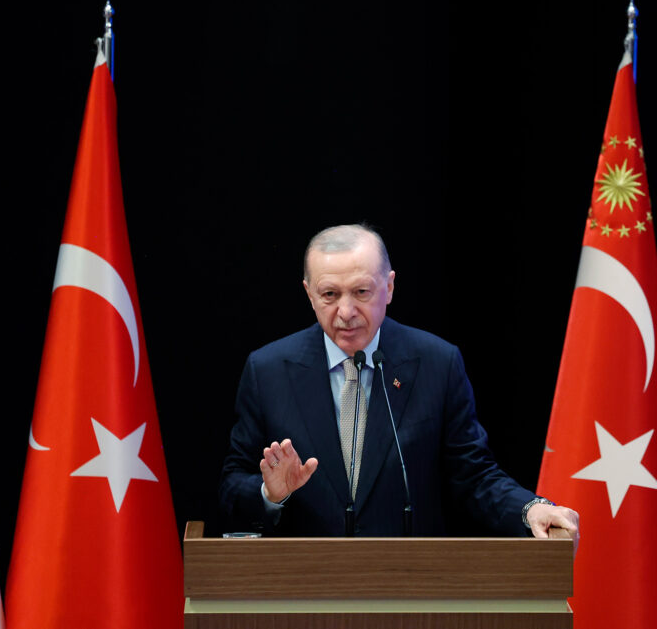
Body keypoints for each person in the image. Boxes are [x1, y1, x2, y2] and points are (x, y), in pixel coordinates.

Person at [219, 224, 579, 542]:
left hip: (409, 582)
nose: (346, 312)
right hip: (303, 583)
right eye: (329, 295)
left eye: (361, 292)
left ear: (389, 287)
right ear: (309, 293)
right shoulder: (268, 370)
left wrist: (530, 509)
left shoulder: (437, 363)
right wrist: (270, 493)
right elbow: (232, 484)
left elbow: (474, 476)